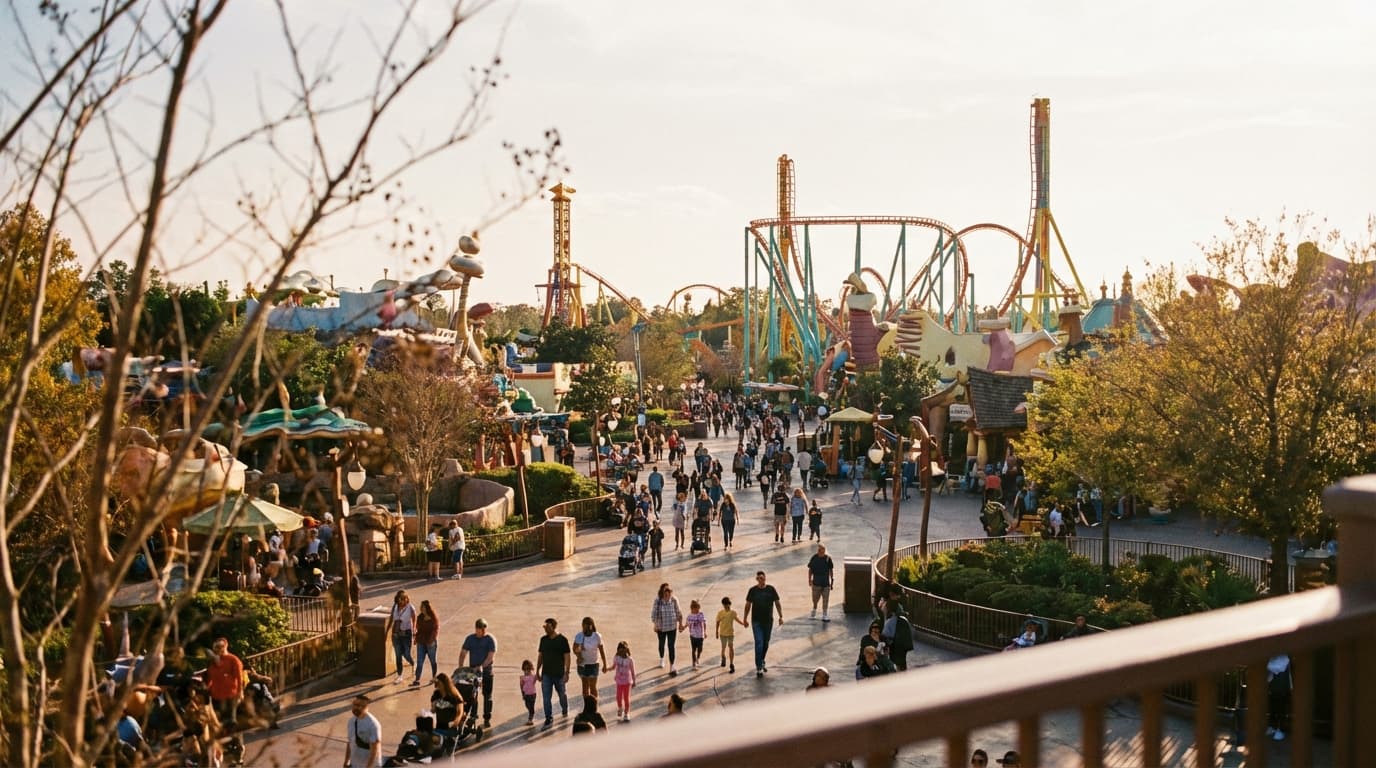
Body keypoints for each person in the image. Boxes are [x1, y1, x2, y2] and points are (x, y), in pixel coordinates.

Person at [206, 637, 244, 759]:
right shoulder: (213, 662)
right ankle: (228, 746)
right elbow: (210, 678)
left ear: (226, 646)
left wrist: (240, 693)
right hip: (216, 696)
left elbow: (239, 678)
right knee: (220, 723)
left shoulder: (233, 660)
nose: (218, 650)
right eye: (216, 648)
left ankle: (238, 747)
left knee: (231, 722)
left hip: (230, 696)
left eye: (220, 647)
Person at [457, 618, 497, 728]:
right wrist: (461, 667)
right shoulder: (470, 639)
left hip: (486, 670)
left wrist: (481, 666)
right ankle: (473, 716)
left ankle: (487, 717)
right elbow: (463, 653)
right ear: (476, 629)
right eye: (479, 630)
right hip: (472, 670)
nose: (481, 632)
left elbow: (490, 656)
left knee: (487, 695)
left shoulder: (490, 640)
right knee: (472, 694)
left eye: (483, 630)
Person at [743, 570, 783, 678]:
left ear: (765, 578)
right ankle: (759, 667)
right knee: (759, 643)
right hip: (756, 621)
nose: (761, 580)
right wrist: (745, 618)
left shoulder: (771, 589)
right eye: (759, 578)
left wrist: (781, 616)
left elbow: (777, 603)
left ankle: (762, 660)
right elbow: (748, 605)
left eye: (762, 578)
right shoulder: (752, 590)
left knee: (766, 642)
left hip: (768, 621)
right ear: (756, 579)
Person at [536, 617, 571, 726]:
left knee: (562, 695)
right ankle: (548, 717)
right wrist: (537, 670)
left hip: (559, 675)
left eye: (547, 626)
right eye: (544, 626)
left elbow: (567, 657)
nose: (545, 628)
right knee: (546, 698)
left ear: (553, 626)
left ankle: (564, 709)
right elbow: (540, 656)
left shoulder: (562, 640)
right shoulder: (543, 640)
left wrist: (567, 672)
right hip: (546, 674)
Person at [651, 583, 685, 676]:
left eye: (669, 592)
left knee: (671, 646)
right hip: (661, 628)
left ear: (671, 592)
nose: (667, 594)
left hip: (672, 627)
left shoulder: (674, 600)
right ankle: (662, 658)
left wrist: (681, 624)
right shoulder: (658, 601)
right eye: (665, 592)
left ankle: (672, 666)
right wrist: (655, 625)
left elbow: (679, 612)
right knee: (661, 644)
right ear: (662, 592)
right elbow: (654, 614)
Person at [386, 590, 417, 684]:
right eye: (400, 600)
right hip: (396, 634)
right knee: (398, 655)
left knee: (406, 654)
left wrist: (415, 629)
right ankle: (400, 676)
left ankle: (413, 663)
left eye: (404, 599)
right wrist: (387, 631)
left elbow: (414, 618)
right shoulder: (395, 607)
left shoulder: (410, 607)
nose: (402, 601)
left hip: (406, 633)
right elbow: (391, 618)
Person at [572, 616, 606, 700]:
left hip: (594, 664)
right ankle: (587, 708)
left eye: (586, 626)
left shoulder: (597, 636)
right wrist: (578, 654)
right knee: (585, 687)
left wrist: (605, 664)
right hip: (582, 665)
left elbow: (601, 650)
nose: (584, 628)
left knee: (593, 687)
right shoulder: (579, 636)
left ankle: (595, 707)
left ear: (591, 626)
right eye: (583, 625)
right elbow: (574, 649)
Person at [715, 596, 746, 674]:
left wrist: (743, 624)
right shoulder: (720, 613)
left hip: (730, 633)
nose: (726, 606)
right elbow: (718, 622)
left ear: (730, 604)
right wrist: (716, 632)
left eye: (727, 604)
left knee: (731, 647)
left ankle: (731, 664)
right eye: (725, 605)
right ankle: (723, 658)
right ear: (723, 605)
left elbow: (737, 619)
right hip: (722, 633)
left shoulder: (733, 613)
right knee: (723, 648)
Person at [412, 599, 439, 685]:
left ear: (427, 608)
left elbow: (435, 630)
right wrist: (416, 638)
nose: (421, 609)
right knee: (420, 661)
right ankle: (417, 679)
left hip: (430, 643)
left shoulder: (433, 618)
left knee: (432, 661)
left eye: (423, 607)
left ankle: (434, 677)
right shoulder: (420, 617)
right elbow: (418, 629)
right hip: (421, 642)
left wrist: (431, 640)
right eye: (421, 607)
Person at [881, 600, 914, 670]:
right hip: (904, 647)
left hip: (895, 648)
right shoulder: (904, 619)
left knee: (895, 666)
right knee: (902, 664)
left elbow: (885, 635)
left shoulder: (890, 622)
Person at [807, 544, 835, 622]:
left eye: (822, 550)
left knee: (825, 599)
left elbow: (831, 570)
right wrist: (809, 580)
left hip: (826, 583)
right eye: (820, 549)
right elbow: (810, 570)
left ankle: (824, 614)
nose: (821, 551)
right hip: (816, 583)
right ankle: (814, 609)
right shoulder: (814, 558)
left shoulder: (828, 559)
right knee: (815, 599)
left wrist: (832, 580)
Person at [612, 641, 637, 721]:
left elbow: (633, 671)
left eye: (623, 650)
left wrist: (634, 681)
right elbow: (613, 667)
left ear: (626, 650)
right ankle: (620, 708)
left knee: (626, 698)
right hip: (619, 681)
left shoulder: (630, 660)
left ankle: (626, 713)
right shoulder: (616, 658)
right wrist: (607, 669)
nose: (622, 652)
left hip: (627, 681)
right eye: (620, 650)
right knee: (618, 697)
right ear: (618, 650)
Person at [685, 599, 708, 670]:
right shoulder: (689, 616)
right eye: (695, 608)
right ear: (692, 608)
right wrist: (682, 627)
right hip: (692, 635)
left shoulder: (700, 614)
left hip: (700, 635)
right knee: (693, 650)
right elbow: (687, 624)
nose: (697, 610)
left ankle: (698, 657)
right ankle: (694, 663)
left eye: (698, 608)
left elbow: (704, 623)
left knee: (700, 649)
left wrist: (705, 632)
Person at [519, 660, 538, 726]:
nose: (526, 671)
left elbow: (538, 678)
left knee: (531, 706)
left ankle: (530, 719)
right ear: (523, 669)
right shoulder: (522, 678)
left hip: (533, 694)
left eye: (528, 669)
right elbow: (521, 686)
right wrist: (522, 694)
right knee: (527, 705)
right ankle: (531, 712)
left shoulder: (534, 676)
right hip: (526, 694)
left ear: (531, 669)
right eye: (525, 669)